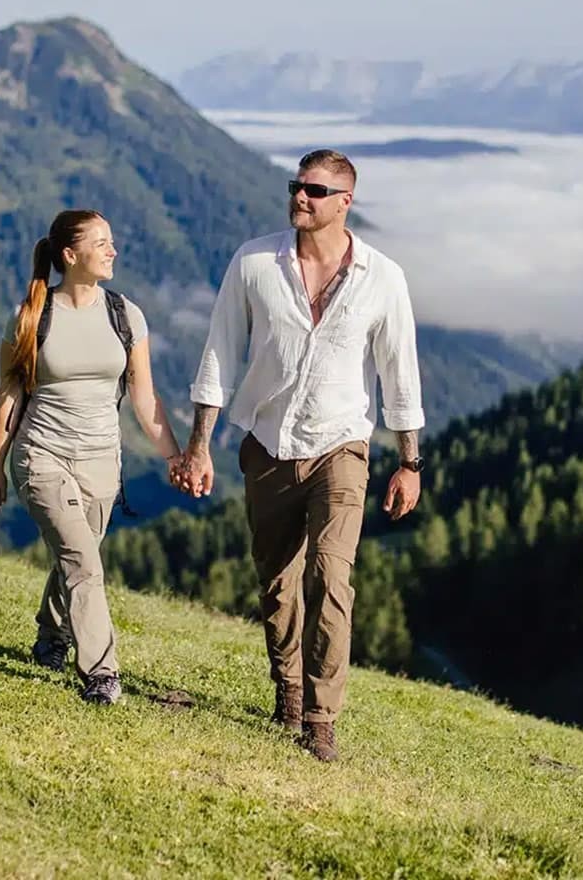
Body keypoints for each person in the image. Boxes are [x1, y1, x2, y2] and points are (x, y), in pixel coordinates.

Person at [174, 149, 425, 761]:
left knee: (331, 577)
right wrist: (199, 446)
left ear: (345, 203)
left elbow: (401, 375)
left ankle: (320, 719)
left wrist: (409, 462)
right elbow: (219, 354)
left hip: (342, 446)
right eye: (296, 186)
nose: (299, 198)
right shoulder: (254, 261)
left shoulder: (383, 277)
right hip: (268, 445)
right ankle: (287, 687)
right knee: (278, 584)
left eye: (315, 191)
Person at [0, 208, 182, 704]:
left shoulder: (125, 314)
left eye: (111, 241)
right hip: (41, 454)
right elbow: (10, 394)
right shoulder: (32, 315)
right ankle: (101, 672)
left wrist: (175, 457)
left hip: (101, 461)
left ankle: (50, 637)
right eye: (101, 243)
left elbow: (144, 397)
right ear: (70, 255)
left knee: (77, 556)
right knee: (83, 561)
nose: (113, 251)